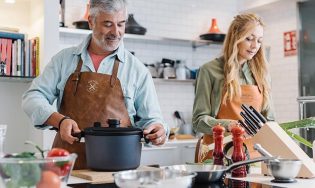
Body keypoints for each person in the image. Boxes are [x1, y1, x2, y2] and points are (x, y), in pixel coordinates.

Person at [22, 0, 168, 169]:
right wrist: (60, 121)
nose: (116, 32)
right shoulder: (63, 60)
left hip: (118, 170)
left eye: (121, 24)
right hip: (66, 166)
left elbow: (152, 120)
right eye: (108, 24)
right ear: (91, 21)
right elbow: (32, 97)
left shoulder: (138, 70)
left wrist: (158, 130)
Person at [192, 13, 275, 162]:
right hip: (219, 156)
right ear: (235, 38)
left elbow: (270, 120)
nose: (255, 45)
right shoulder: (209, 70)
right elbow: (198, 121)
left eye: (259, 40)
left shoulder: (262, 74)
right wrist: (229, 125)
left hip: (254, 157)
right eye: (249, 39)